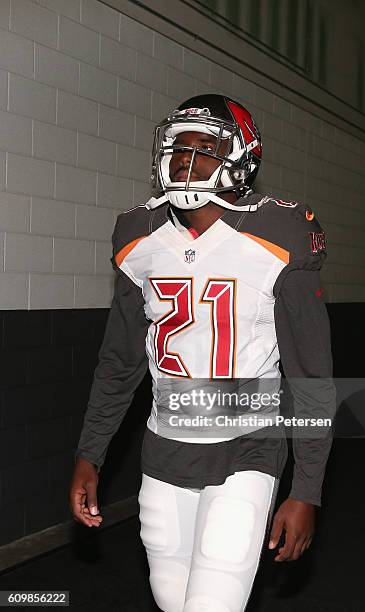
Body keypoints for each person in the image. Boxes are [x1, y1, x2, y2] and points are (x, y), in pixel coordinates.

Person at [70, 94, 336, 612]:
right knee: (173, 603)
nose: (186, 161)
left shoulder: (279, 232)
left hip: (248, 447)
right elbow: (120, 362)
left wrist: (307, 488)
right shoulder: (136, 234)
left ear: (240, 160)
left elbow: (311, 375)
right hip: (163, 447)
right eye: (178, 148)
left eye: (206, 149)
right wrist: (89, 452)